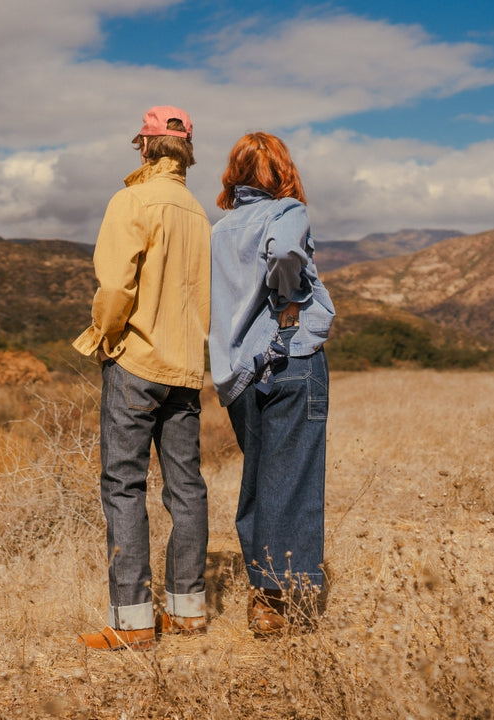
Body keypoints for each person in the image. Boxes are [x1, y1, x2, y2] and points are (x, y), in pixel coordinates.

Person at [73, 106, 211, 650]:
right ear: (187, 152)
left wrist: (105, 338)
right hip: (185, 368)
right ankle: (188, 611)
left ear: (146, 146)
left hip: (136, 362)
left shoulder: (131, 200)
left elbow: (114, 288)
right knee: (187, 488)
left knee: (124, 487)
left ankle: (132, 624)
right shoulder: (199, 213)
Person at [208, 132, 334, 636]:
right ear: (282, 171)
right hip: (289, 359)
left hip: (238, 371)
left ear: (234, 174)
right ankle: (279, 600)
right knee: (295, 477)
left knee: (260, 479)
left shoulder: (220, 229)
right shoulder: (287, 212)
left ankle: (263, 596)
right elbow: (284, 252)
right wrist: (288, 300)